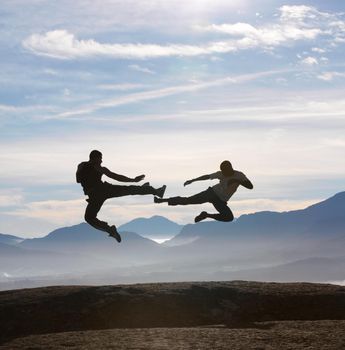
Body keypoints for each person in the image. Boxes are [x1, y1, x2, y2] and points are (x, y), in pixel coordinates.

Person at [76, 150, 166, 242]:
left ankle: (148, 190)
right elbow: (116, 177)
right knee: (127, 190)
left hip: (96, 195)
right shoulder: (98, 168)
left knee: (89, 218)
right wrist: (133, 180)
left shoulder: (81, 166)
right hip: (102, 191)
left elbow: (78, 179)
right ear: (95, 158)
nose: (101, 161)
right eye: (100, 159)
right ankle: (151, 190)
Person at [154, 160, 253, 223]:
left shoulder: (239, 175)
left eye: (225, 172)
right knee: (188, 200)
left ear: (231, 168)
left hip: (221, 201)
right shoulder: (220, 174)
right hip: (211, 193)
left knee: (229, 218)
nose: (224, 174)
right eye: (223, 172)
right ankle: (161, 200)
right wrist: (193, 180)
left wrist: (236, 180)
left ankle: (206, 215)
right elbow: (207, 176)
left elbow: (250, 186)